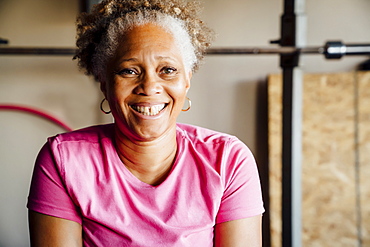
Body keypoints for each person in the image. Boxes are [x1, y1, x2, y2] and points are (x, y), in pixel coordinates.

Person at [27, 0, 265, 246]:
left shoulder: (228, 160)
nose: (149, 87)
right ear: (104, 84)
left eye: (168, 69)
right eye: (129, 71)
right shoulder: (63, 160)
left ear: (186, 80)